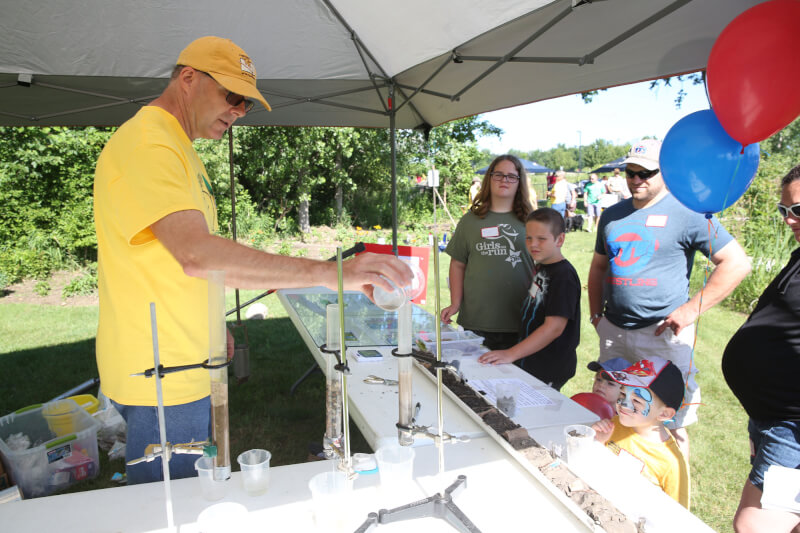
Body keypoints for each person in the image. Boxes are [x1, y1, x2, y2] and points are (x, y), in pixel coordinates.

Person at [93, 36, 412, 484]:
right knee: (173, 508)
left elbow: (175, 259)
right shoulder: (149, 144)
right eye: (232, 96)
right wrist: (329, 272)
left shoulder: (175, 145)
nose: (240, 110)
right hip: (162, 374)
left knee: (198, 490)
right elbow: (196, 254)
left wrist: (209, 323)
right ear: (188, 79)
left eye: (246, 103)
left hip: (184, 359)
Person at [587, 139, 751, 460]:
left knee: (669, 419)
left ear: (666, 172)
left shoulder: (688, 212)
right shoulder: (612, 215)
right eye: (629, 172)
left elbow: (736, 263)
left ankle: (675, 493)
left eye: (645, 172)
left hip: (662, 337)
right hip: (615, 333)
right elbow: (597, 267)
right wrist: (596, 316)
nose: (636, 179)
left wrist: (689, 311)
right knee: (617, 408)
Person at [722, 164, 800, 533]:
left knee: (755, 525)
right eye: (784, 211)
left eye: (797, 210)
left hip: (790, 427)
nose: (789, 220)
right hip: (770, 420)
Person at [478, 208, 580, 391]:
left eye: (541, 239)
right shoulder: (542, 267)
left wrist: (511, 354)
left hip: (549, 365)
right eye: (529, 238)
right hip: (532, 359)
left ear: (560, 239)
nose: (533, 244)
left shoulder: (563, 276)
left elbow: (554, 327)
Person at [441, 155, 534, 350]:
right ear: (489, 178)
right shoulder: (470, 221)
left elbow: (544, 266)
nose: (504, 180)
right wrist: (455, 303)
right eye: (498, 175)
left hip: (520, 319)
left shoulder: (531, 221)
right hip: (477, 320)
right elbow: (457, 264)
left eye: (511, 176)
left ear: (520, 182)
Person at [592, 357, 690, 509]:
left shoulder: (671, 463)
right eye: (622, 394)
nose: (623, 404)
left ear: (664, 414)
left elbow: (677, 515)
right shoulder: (615, 424)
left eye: (636, 401)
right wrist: (598, 442)